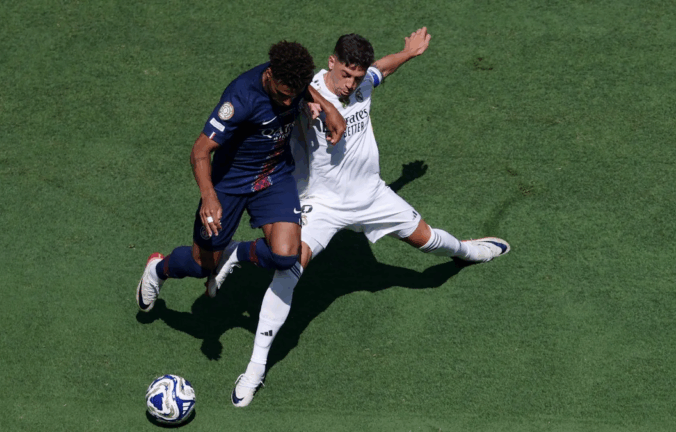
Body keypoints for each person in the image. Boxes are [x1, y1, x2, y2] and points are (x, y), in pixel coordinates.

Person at [213, 28, 511, 407]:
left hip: (371, 195)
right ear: (331, 62)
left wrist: (409, 53)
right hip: (321, 202)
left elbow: (381, 69)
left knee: (428, 240)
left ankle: (468, 252)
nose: (350, 84)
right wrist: (311, 105)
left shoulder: (362, 84)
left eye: (356, 77)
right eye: (345, 74)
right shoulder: (306, 92)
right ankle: (255, 368)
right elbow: (283, 100)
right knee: (288, 270)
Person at [135, 41, 345, 314]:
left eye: (293, 96)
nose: (287, 103)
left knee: (285, 256)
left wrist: (328, 107)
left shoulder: (290, 80)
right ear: (269, 75)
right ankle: (158, 270)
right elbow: (200, 150)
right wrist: (209, 197)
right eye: (283, 95)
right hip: (230, 183)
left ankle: (235, 253)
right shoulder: (240, 98)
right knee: (202, 265)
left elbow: (301, 88)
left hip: (273, 175)